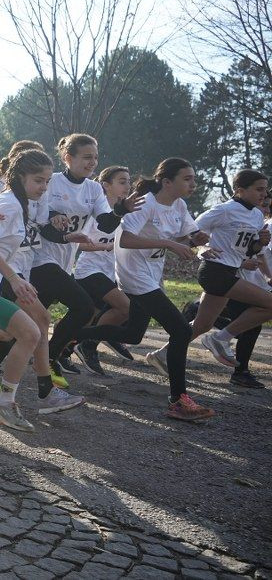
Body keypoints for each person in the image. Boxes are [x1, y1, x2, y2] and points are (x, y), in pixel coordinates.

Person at [0, 149, 84, 431]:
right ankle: (5, 405)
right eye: (38, 180)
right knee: (31, 332)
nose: (44, 187)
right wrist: (14, 279)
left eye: (46, 181)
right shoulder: (9, 204)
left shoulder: (16, 203)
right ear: (19, 177)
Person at [113, 158, 215, 421]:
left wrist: (197, 241)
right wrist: (169, 243)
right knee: (181, 329)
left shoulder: (179, 205)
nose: (193, 183)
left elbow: (188, 236)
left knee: (133, 334)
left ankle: (72, 338)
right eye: (187, 178)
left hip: (152, 275)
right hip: (133, 273)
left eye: (194, 178)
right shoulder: (145, 202)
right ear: (167, 182)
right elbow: (125, 239)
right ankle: (178, 400)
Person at [152, 170, 272, 377]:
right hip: (214, 271)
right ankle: (221, 338)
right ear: (240, 190)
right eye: (259, 189)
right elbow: (191, 230)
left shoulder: (256, 215)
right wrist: (200, 248)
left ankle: (162, 354)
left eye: (266, 189)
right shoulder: (224, 210)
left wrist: (259, 243)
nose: (264, 194)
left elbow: (244, 249)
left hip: (230, 271)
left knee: (203, 324)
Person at [69, 166, 142, 372]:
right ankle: (90, 343)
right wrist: (105, 246)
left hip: (113, 273)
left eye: (129, 181)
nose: (127, 186)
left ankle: (60, 351)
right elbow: (76, 243)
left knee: (86, 318)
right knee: (125, 307)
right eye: (122, 181)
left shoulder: (126, 214)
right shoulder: (95, 213)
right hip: (89, 270)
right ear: (105, 186)